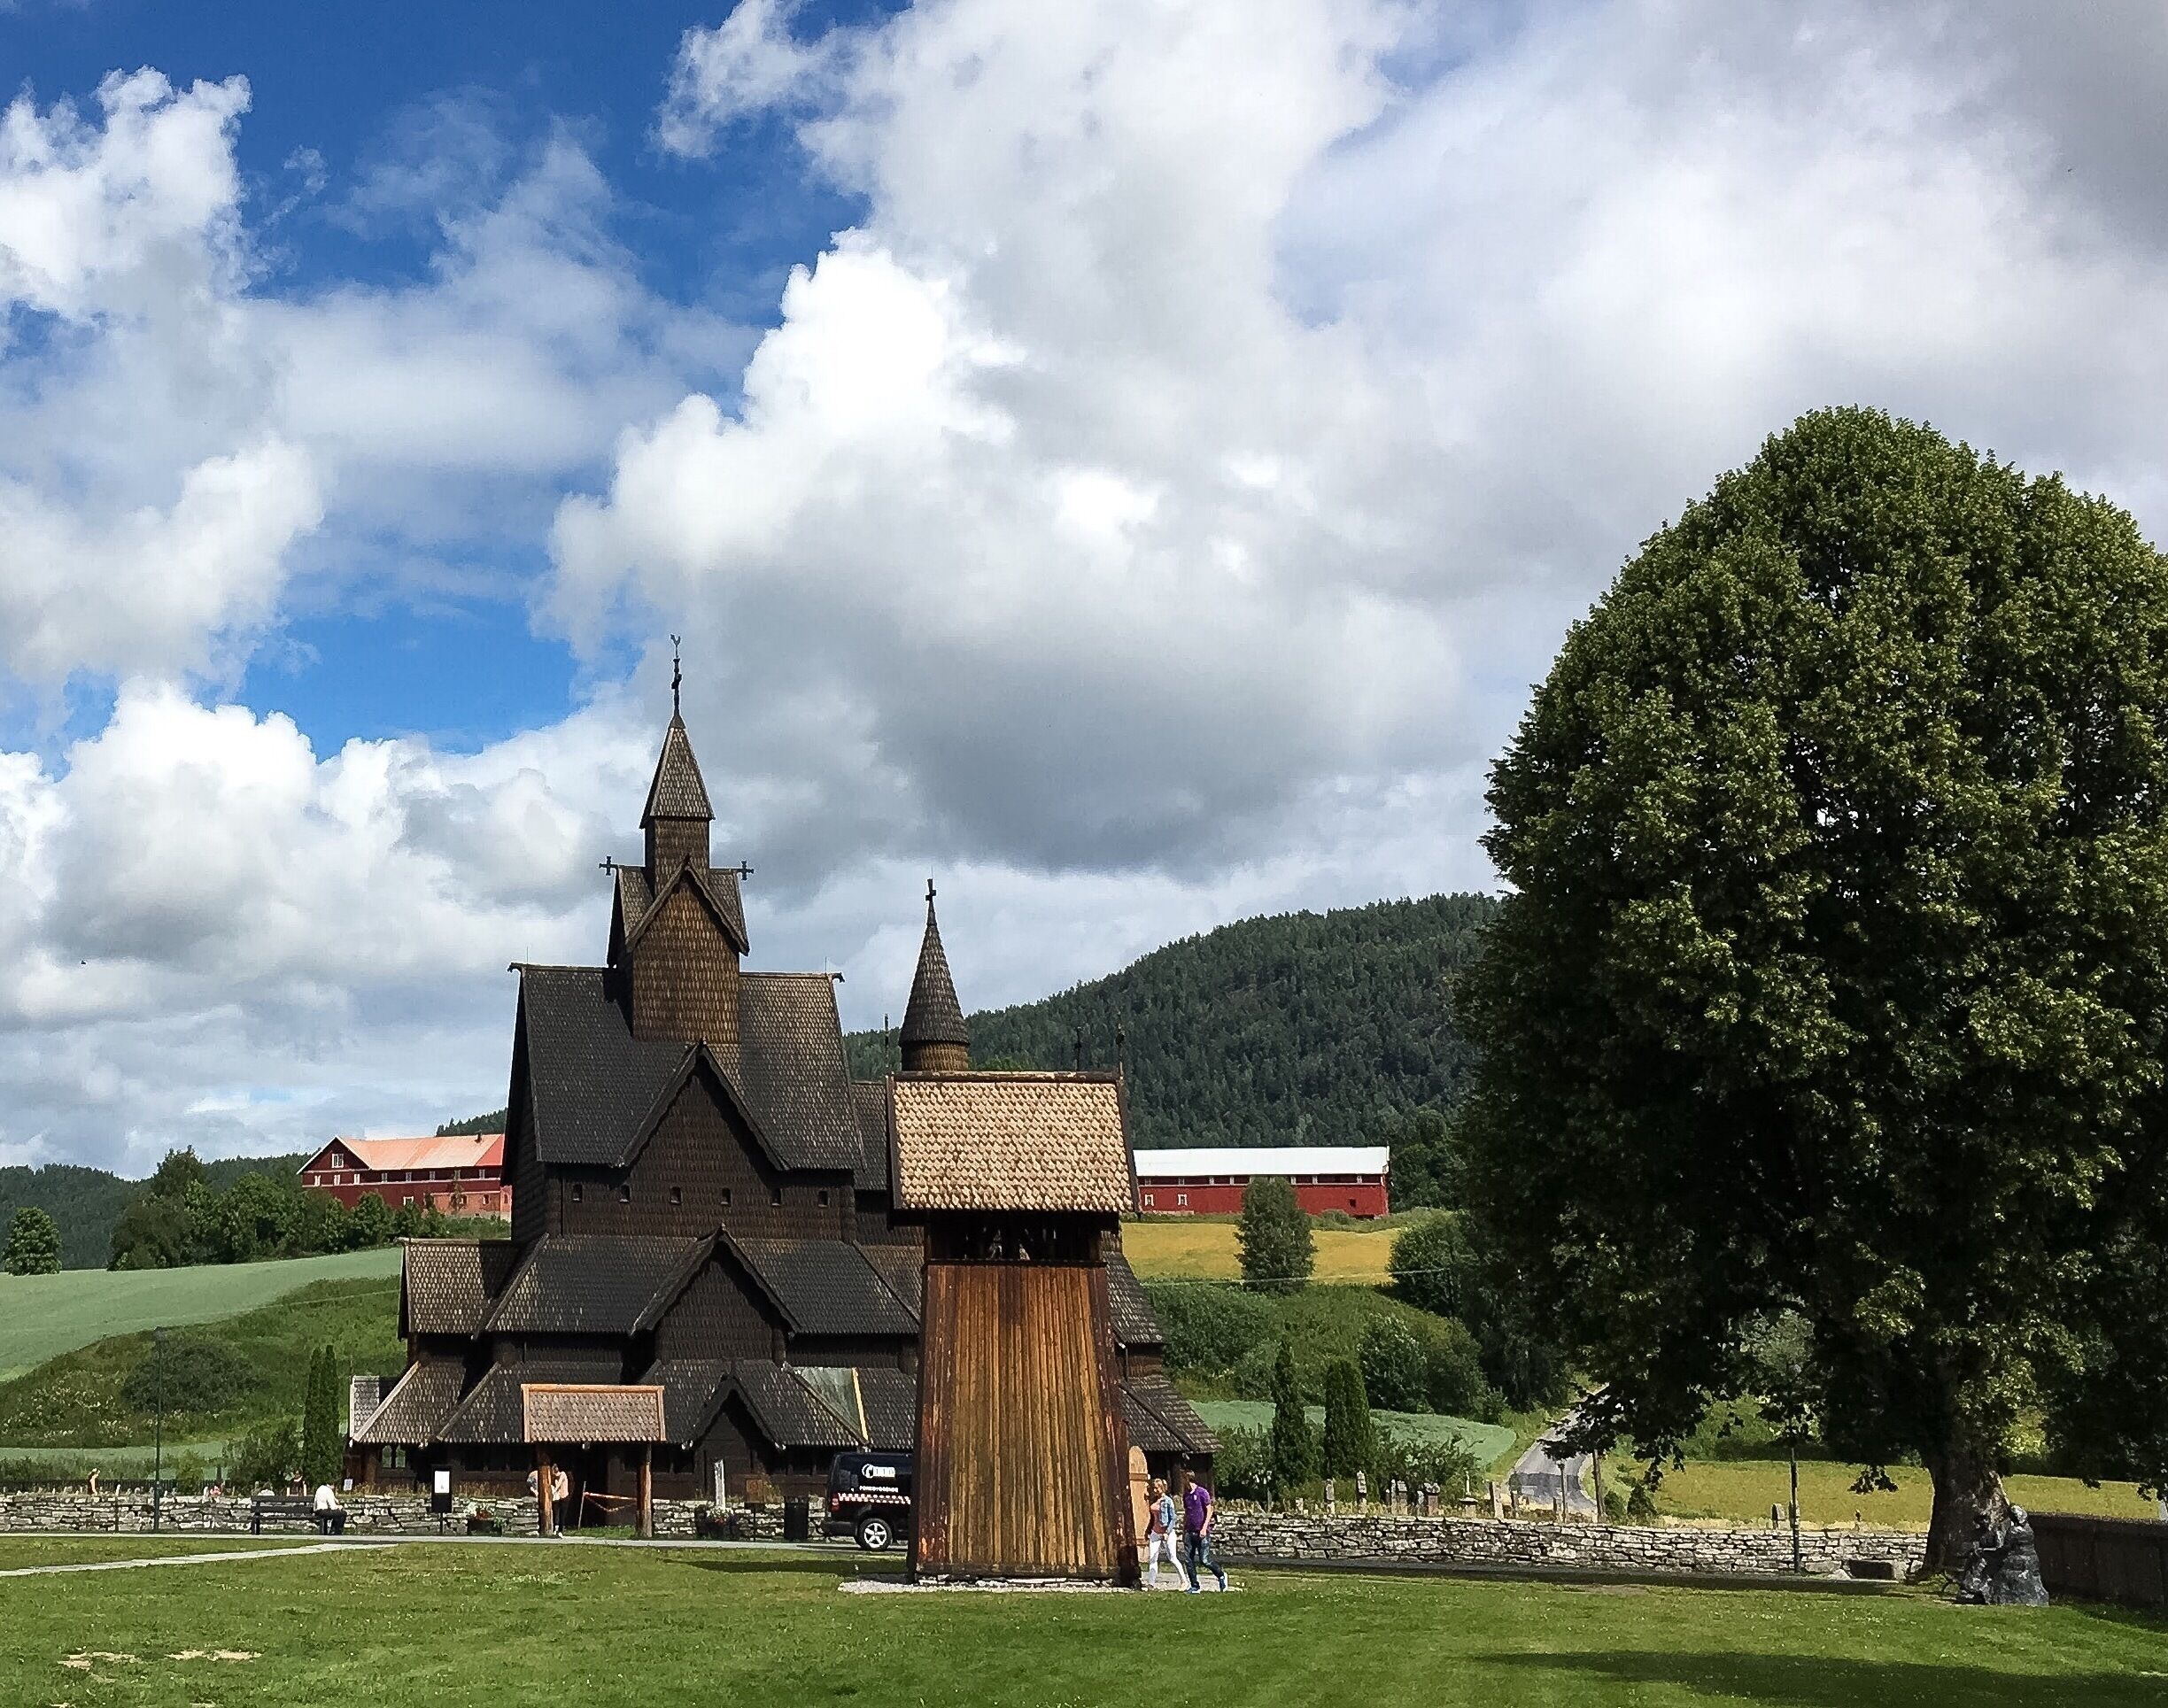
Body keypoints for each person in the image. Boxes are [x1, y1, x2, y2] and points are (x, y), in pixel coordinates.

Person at [1180, 1465, 1227, 1593]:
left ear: (1187, 1479)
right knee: (1188, 1560)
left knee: (1204, 1559)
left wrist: (1204, 1527)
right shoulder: (1186, 1496)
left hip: (1201, 1531)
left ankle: (1221, 1575)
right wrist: (1184, 1528)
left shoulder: (1202, 1492)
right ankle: (1195, 1586)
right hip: (1190, 1531)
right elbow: (1187, 1512)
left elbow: (1209, 1510)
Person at [1144, 1476, 1189, 1589]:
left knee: (1172, 1557)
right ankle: (1151, 1583)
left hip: (1167, 1533)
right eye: (1153, 1488)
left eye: (1157, 1488)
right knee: (1153, 1558)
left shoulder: (1168, 1501)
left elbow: (1173, 1518)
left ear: (1162, 1488)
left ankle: (1184, 1580)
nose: (1155, 1491)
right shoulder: (1154, 1501)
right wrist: (1148, 1530)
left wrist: (1167, 1532)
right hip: (1155, 1532)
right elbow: (1153, 1517)